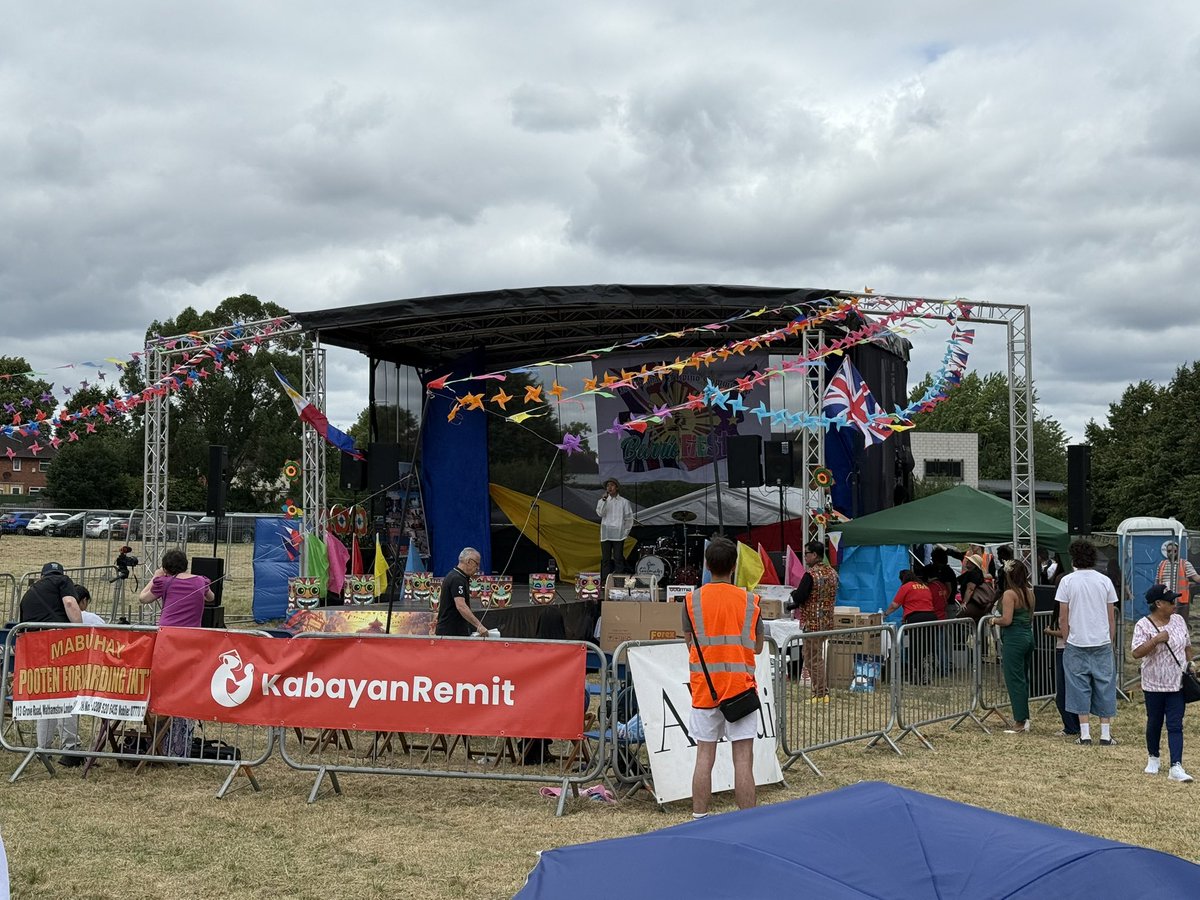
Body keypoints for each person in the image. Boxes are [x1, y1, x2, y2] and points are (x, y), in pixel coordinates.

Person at [683, 537, 763, 818]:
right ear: (734, 566)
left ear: (706, 564)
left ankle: (699, 817)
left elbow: (689, 643)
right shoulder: (751, 602)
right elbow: (758, 646)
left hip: (705, 691)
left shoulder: (692, 601)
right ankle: (748, 821)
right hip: (740, 691)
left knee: (704, 757)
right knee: (743, 759)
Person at [139, 549, 214, 757]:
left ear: (165, 568)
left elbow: (143, 598)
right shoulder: (200, 581)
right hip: (191, 640)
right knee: (185, 682)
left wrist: (155, 577)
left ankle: (163, 727)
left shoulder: (165, 582)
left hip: (167, 639)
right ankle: (180, 733)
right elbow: (211, 598)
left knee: (165, 682)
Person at [19, 562, 83, 766]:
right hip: (58, 644)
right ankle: (71, 747)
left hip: (34, 647)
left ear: (42, 575)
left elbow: (21, 629)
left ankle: (42, 747)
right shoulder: (62, 581)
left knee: (45, 696)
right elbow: (71, 604)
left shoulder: (30, 593)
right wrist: (80, 631)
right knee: (66, 693)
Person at [1057, 539, 1119, 746]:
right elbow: (1111, 616)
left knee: (1078, 687)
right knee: (1105, 686)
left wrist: (1067, 639)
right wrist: (1109, 639)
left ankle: (1084, 734)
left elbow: (1063, 617)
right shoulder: (1104, 581)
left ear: (1073, 558)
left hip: (1076, 641)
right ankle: (1105, 734)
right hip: (1101, 641)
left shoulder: (1067, 581)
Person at [1132, 584, 1193, 782]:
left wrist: (1190, 663)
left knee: (1175, 724)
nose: (1175, 605)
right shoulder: (1143, 625)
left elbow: (1187, 645)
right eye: (1170, 601)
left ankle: (1176, 765)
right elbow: (1136, 652)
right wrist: (1156, 640)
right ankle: (1153, 757)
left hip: (1177, 683)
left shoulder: (1178, 621)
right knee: (1155, 722)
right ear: (1158, 604)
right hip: (1154, 684)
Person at [786, 540, 838, 701]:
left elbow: (801, 595)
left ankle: (821, 692)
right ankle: (822, 691)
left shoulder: (811, 575)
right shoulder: (832, 573)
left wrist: (794, 594)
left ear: (814, 555)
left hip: (812, 623)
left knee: (811, 658)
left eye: (806, 554)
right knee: (816, 656)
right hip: (827, 622)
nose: (805, 557)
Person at [995, 559, 1036, 733]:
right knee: (1023, 678)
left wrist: (993, 620)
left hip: (1014, 638)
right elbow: (1030, 616)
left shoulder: (1009, 594)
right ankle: (1024, 716)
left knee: (1014, 680)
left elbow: (1006, 620)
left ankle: (1020, 720)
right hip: (1027, 635)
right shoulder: (1029, 592)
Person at [884, 569, 937, 683]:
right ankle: (928, 671)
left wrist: (885, 614)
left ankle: (917, 675)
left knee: (913, 647)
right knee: (928, 646)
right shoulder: (925, 586)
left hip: (915, 619)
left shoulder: (906, 587)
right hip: (931, 618)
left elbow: (895, 605)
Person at [1043, 603, 1081, 738]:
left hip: (1064, 650)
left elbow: (1066, 633)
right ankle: (1075, 725)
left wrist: (1050, 632)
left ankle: (1071, 726)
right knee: (1068, 690)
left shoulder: (1067, 611)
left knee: (1063, 693)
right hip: (1069, 650)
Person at [434, 547, 489, 637]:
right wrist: (479, 626)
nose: (478, 568)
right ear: (469, 561)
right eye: (477, 564)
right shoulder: (457, 579)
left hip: (453, 630)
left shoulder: (458, 576)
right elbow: (461, 606)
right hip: (450, 633)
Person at [596, 478, 634, 584]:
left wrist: (625, 533)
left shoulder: (624, 502)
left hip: (618, 534)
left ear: (616, 487)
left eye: (612, 485)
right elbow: (600, 513)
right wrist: (604, 501)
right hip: (606, 533)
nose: (610, 487)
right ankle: (604, 582)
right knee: (606, 559)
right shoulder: (602, 501)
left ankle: (619, 582)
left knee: (618, 558)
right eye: (608, 486)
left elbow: (629, 519)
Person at [1157, 541, 1200, 631]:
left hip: (1181, 600)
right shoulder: (1162, 564)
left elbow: (1196, 578)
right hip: (1165, 599)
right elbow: (1157, 582)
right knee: (1166, 625)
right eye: (1169, 551)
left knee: (1181, 626)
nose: (1171, 553)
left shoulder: (1184, 564)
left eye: (1174, 551)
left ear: (1178, 551)